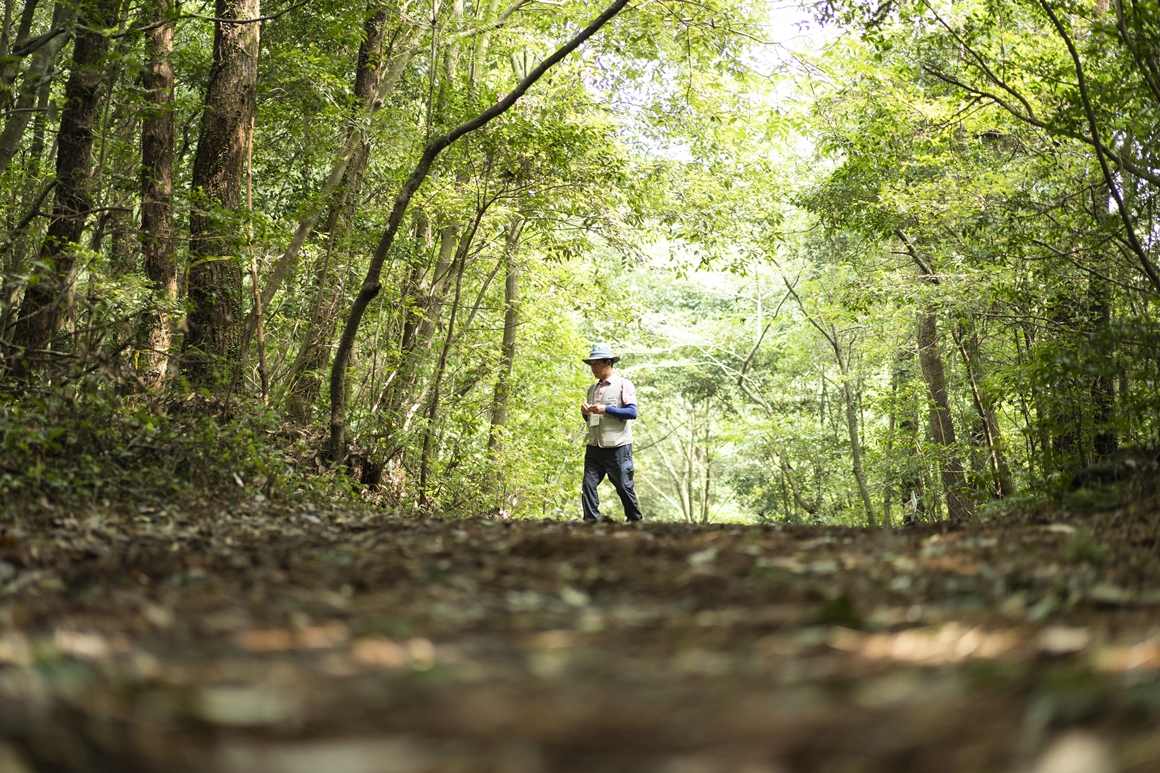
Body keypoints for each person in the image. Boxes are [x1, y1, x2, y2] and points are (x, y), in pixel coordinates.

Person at [580, 343, 643, 522]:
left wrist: (606, 409)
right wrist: (585, 414)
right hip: (594, 446)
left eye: (596, 364)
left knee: (624, 487)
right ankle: (591, 523)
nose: (593, 368)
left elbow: (632, 413)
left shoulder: (624, 385)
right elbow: (591, 419)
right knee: (588, 485)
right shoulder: (592, 389)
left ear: (608, 363)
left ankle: (635, 521)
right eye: (591, 365)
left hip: (618, 447)